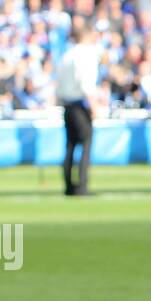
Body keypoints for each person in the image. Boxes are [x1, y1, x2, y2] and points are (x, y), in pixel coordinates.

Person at [55, 25, 101, 197]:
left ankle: (68, 185)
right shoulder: (85, 54)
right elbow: (85, 82)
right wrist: (94, 105)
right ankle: (82, 185)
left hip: (67, 104)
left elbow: (58, 83)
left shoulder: (67, 55)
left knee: (70, 146)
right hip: (80, 104)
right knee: (86, 144)